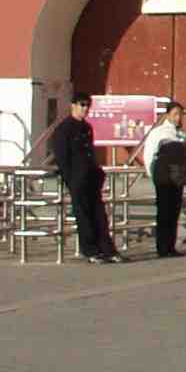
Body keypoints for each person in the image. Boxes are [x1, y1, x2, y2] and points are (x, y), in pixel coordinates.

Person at [46, 95, 120, 263]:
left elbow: (90, 152)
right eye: (82, 105)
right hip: (77, 178)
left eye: (88, 105)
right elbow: (62, 156)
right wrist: (70, 178)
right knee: (84, 216)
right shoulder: (64, 128)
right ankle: (91, 251)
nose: (85, 108)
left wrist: (98, 172)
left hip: (91, 177)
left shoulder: (87, 127)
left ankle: (107, 249)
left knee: (99, 215)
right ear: (73, 105)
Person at [137, 100, 186, 258]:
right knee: (164, 211)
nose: (178, 117)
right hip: (163, 177)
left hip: (177, 176)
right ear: (167, 115)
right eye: (175, 114)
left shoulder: (182, 134)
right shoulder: (158, 132)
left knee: (174, 211)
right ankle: (162, 247)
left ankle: (171, 246)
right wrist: (152, 173)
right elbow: (149, 154)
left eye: (180, 114)